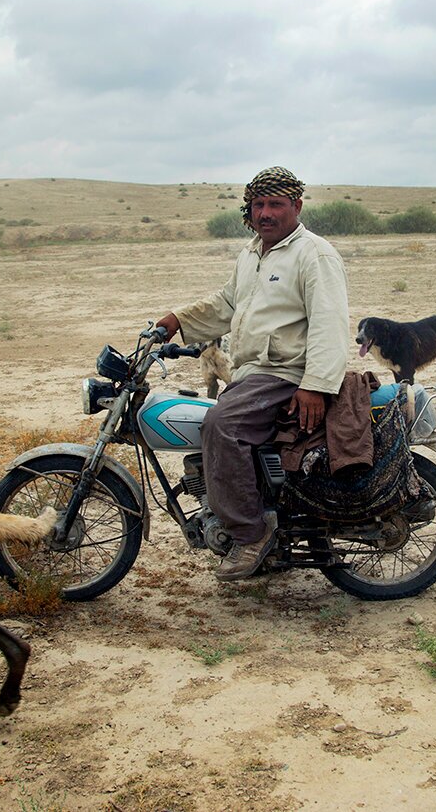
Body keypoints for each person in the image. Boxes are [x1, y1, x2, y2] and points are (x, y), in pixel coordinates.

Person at [155, 166, 350, 581]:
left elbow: (330, 323)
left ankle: (250, 534)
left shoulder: (313, 254)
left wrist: (314, 387)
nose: (265, 213)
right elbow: (228, 304)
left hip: (285, 372)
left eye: (275, 204)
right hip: (252, 373)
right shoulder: (252, 254)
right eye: (258, 204)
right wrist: (178, 320)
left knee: (221, 425)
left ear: (295, 206)